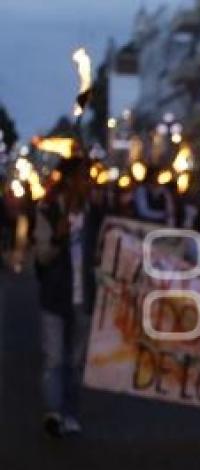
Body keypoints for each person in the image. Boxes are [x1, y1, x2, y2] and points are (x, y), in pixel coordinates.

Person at [33, 157, 104, 437]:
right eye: (84, 178)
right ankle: (53, 412)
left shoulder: (95, 214)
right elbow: (41, 256)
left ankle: (71, 412)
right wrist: (57, 238)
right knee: (53, 359)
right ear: (71, 180)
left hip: (83, 298)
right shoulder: (48, 211)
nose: (89, 184)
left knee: (75, 362)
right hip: (54, 295)